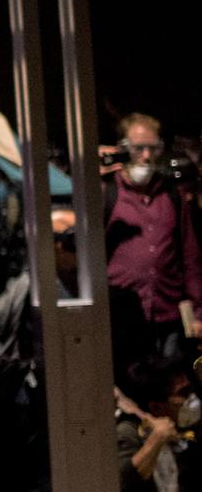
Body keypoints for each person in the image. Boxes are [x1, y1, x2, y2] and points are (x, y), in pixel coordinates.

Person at [103, 113, 202, 367]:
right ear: (122, 149)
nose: (146, 157)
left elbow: (190, 256)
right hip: (122, 319)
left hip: (167, 315)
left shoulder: (171, 195)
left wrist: (198, 312)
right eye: (137, 149)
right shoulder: (107, 193)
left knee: (167, 389)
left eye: (152, 149)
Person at [116, 356, 200, 492]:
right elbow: (121, 486)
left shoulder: (188, 432)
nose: (192, 400)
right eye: (183, 394)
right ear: (156, 407)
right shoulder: (130, 433)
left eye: (191, 390)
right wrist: (157, 438)